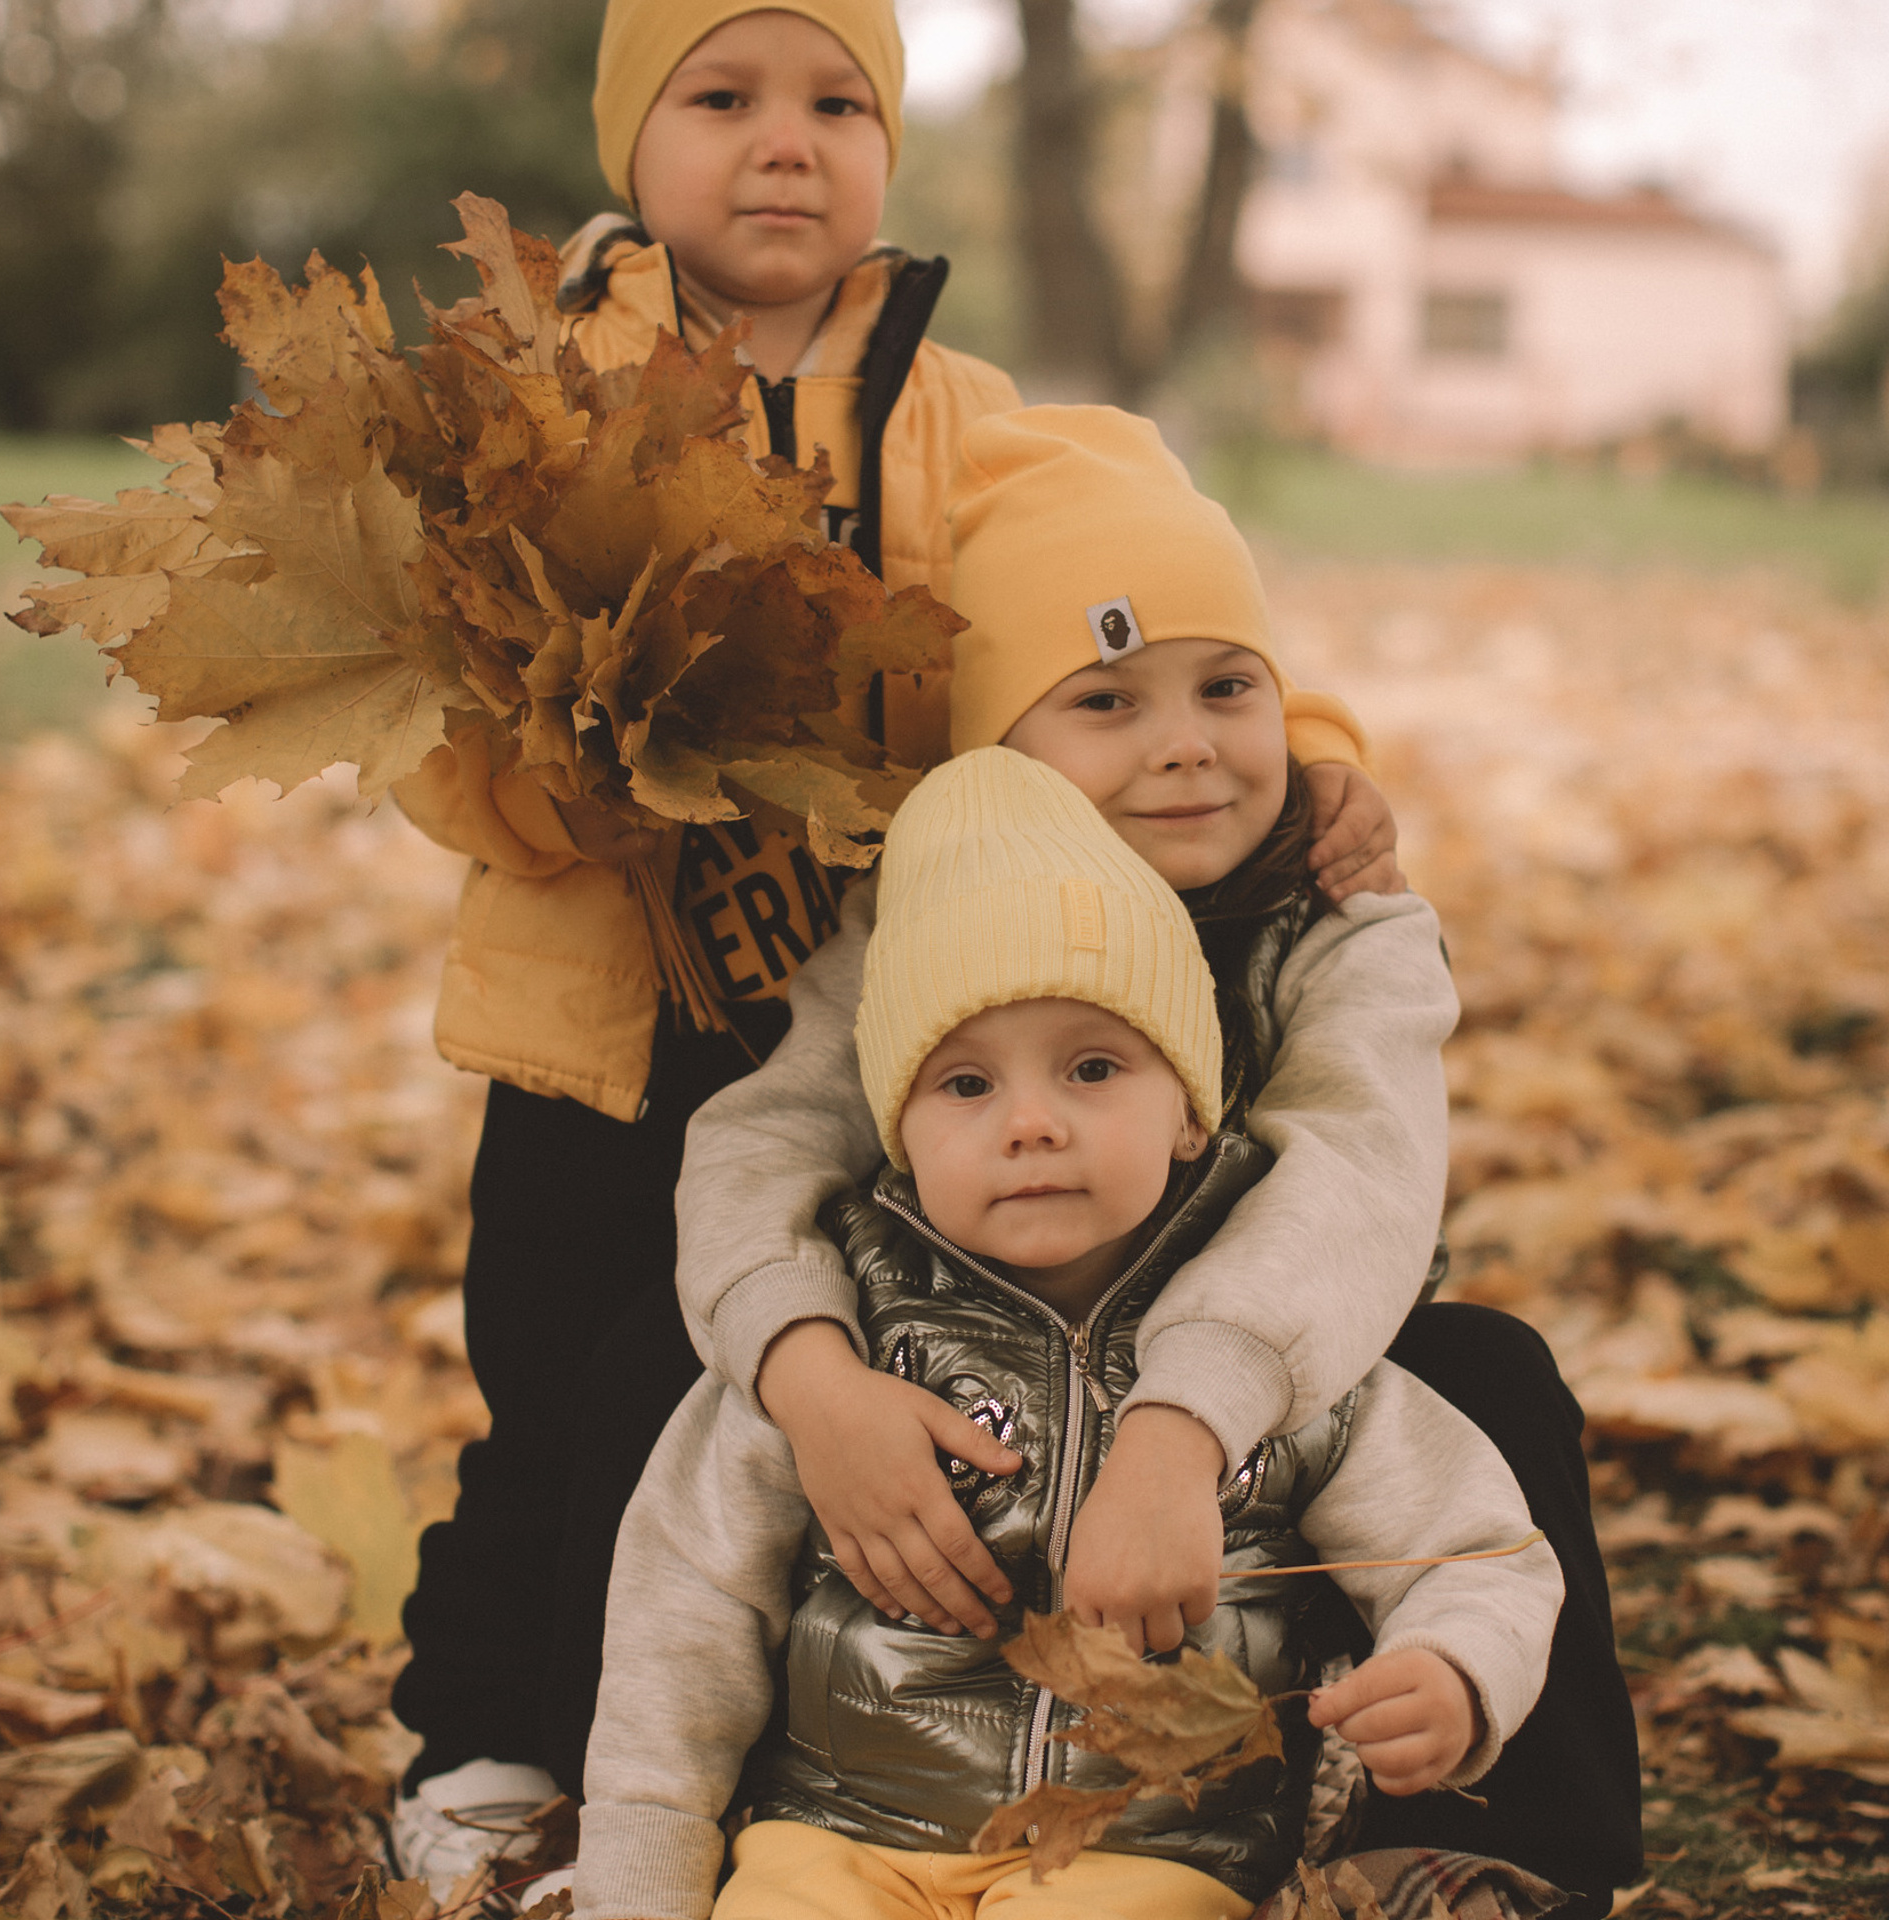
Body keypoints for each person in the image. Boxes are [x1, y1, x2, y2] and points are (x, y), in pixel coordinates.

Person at [384, 1, 1403, 1888]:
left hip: (866, 1002)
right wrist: (563, 773)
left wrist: (1316, 740)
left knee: (804, 1354)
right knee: (565, 1388)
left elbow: (1137, 578)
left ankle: (796, 1717)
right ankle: (493, 1740)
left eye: (840, 102)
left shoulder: (947, 406)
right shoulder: (544, 398)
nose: (788, 140)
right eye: (724, 95)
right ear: (631, 141)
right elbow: (443, 725)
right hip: (604, 1021)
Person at [671, 409, 1643, 1915]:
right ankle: (638, 1810)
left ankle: (1487, 1842)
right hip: (972, 1373)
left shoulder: (1340, 922)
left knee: (1492, 1374)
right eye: (1107, 700)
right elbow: (768, 1140)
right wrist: (812, 1382)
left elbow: (1359, 1180)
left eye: (1227, 687)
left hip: (1278, 1403)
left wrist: (1181, 1432)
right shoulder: (924, 915)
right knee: (688, 1360)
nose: (1185, 742)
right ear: (999, 754)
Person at [574, 746, 1567, 1920]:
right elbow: (680, 1623)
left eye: (1093, 1068)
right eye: (965, 1086)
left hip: (1142, 1857)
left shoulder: (1285, 1356)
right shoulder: (842, 1343)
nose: (1032, 1123)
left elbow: (1475, 1551)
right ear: (896, 1133)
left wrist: (1454, 1671)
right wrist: (638, 1889)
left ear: (1190, 1113)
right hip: (835, 1839)